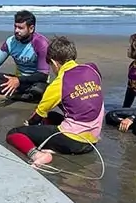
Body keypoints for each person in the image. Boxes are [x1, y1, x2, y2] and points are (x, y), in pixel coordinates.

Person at [6, 36, 104, 168]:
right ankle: (54, 147)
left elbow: (37, 117)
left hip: (73, 141)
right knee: (51, 116)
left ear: (54, 62)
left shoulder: (58, 83)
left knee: (14, 133)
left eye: (51, 65)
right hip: (92, 140)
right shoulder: (92, 69)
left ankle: (37, 155)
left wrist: (28, 125)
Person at [0, 10, 50, 102]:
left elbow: (43, 75)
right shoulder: (11, 42)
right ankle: (20, 94)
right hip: (17, 80)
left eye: (20, 28)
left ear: (31, 28)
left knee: (38, 91)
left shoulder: (41, 44)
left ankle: (8, 96)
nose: (16, 31)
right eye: (15, 27)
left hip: (35, 82)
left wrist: (18, 80)